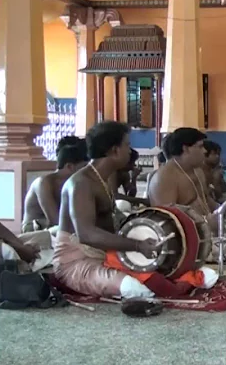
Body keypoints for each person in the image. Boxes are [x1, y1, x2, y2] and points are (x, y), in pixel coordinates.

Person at [52, 121, 159, 298]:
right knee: (135, 289)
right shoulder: (81, 183)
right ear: (114, 151)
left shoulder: (102, 179)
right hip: (76, 263)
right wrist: (137, 245)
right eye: (127, 145)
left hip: (103, 256)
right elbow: (86, 234)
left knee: (158, 273)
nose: (129, 151)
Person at [148, 128, 219, 218]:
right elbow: (167, 219)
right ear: (186, 149)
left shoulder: (198, 171)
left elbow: (206, 200)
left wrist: (224, 211)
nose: (205, 151)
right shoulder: (165, 177)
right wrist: (204, 223)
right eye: (200, 146)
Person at [22, 144, 89, 233]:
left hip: (57, 227)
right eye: (84, 167)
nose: (87, 171)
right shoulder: (44, 183)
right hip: (35, 229)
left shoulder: (74, 183)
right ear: (69, 166)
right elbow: (55, 221)